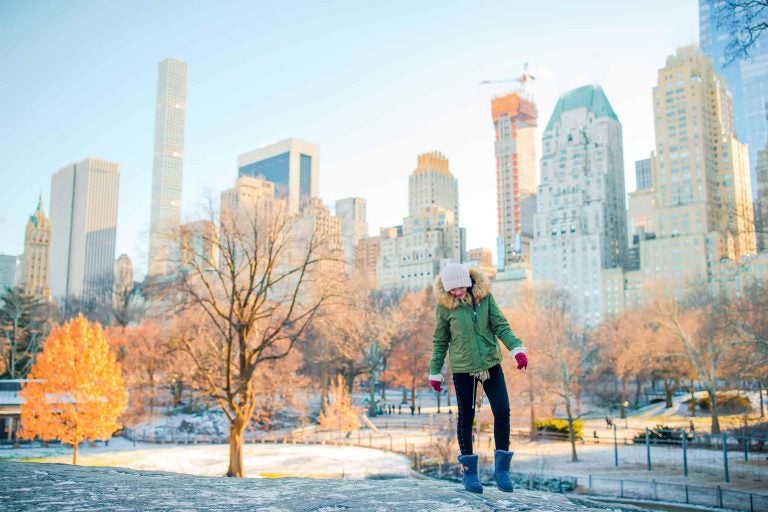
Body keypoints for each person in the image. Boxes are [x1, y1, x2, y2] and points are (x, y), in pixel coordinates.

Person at [427, 263, 528, 494]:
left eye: (460, 287)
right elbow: (440, 341)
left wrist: (517, 349)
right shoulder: (444, 307)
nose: (457, 292)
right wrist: (435, 371)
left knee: (502, 410)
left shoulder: (485, 298)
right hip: (463, 370)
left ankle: (502, 470)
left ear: (469, 282)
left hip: (491, 364)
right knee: (467, 417)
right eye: (451, 290)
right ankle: (469, 473)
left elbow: (501, 326)